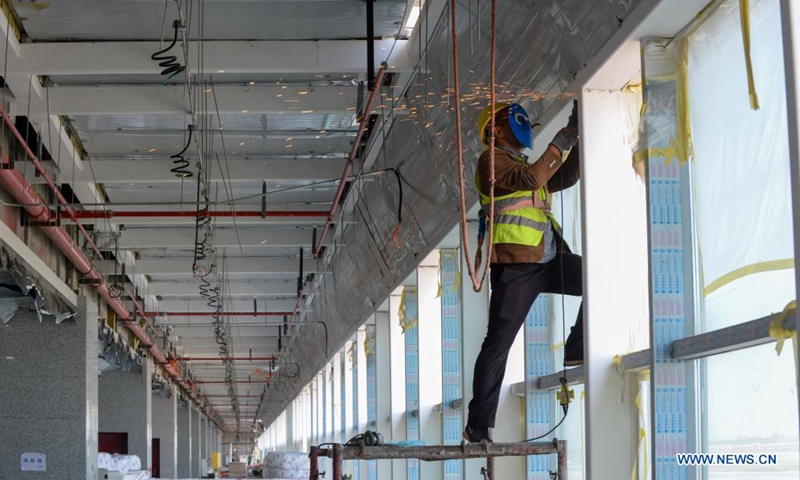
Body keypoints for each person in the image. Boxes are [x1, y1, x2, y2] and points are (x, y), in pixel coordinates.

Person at [464, 101, 583, 443]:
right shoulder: (492, 161)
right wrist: (561, 138)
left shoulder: (522, 166)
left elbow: (566, 175)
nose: (523, 124)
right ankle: (479, 424)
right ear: (495, 130)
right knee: (498, 345)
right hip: (516, 267)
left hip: (547, 259)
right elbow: (532, 177)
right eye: (510, 121)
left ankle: (577, 345)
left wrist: (577, 137)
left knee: (597, 277)